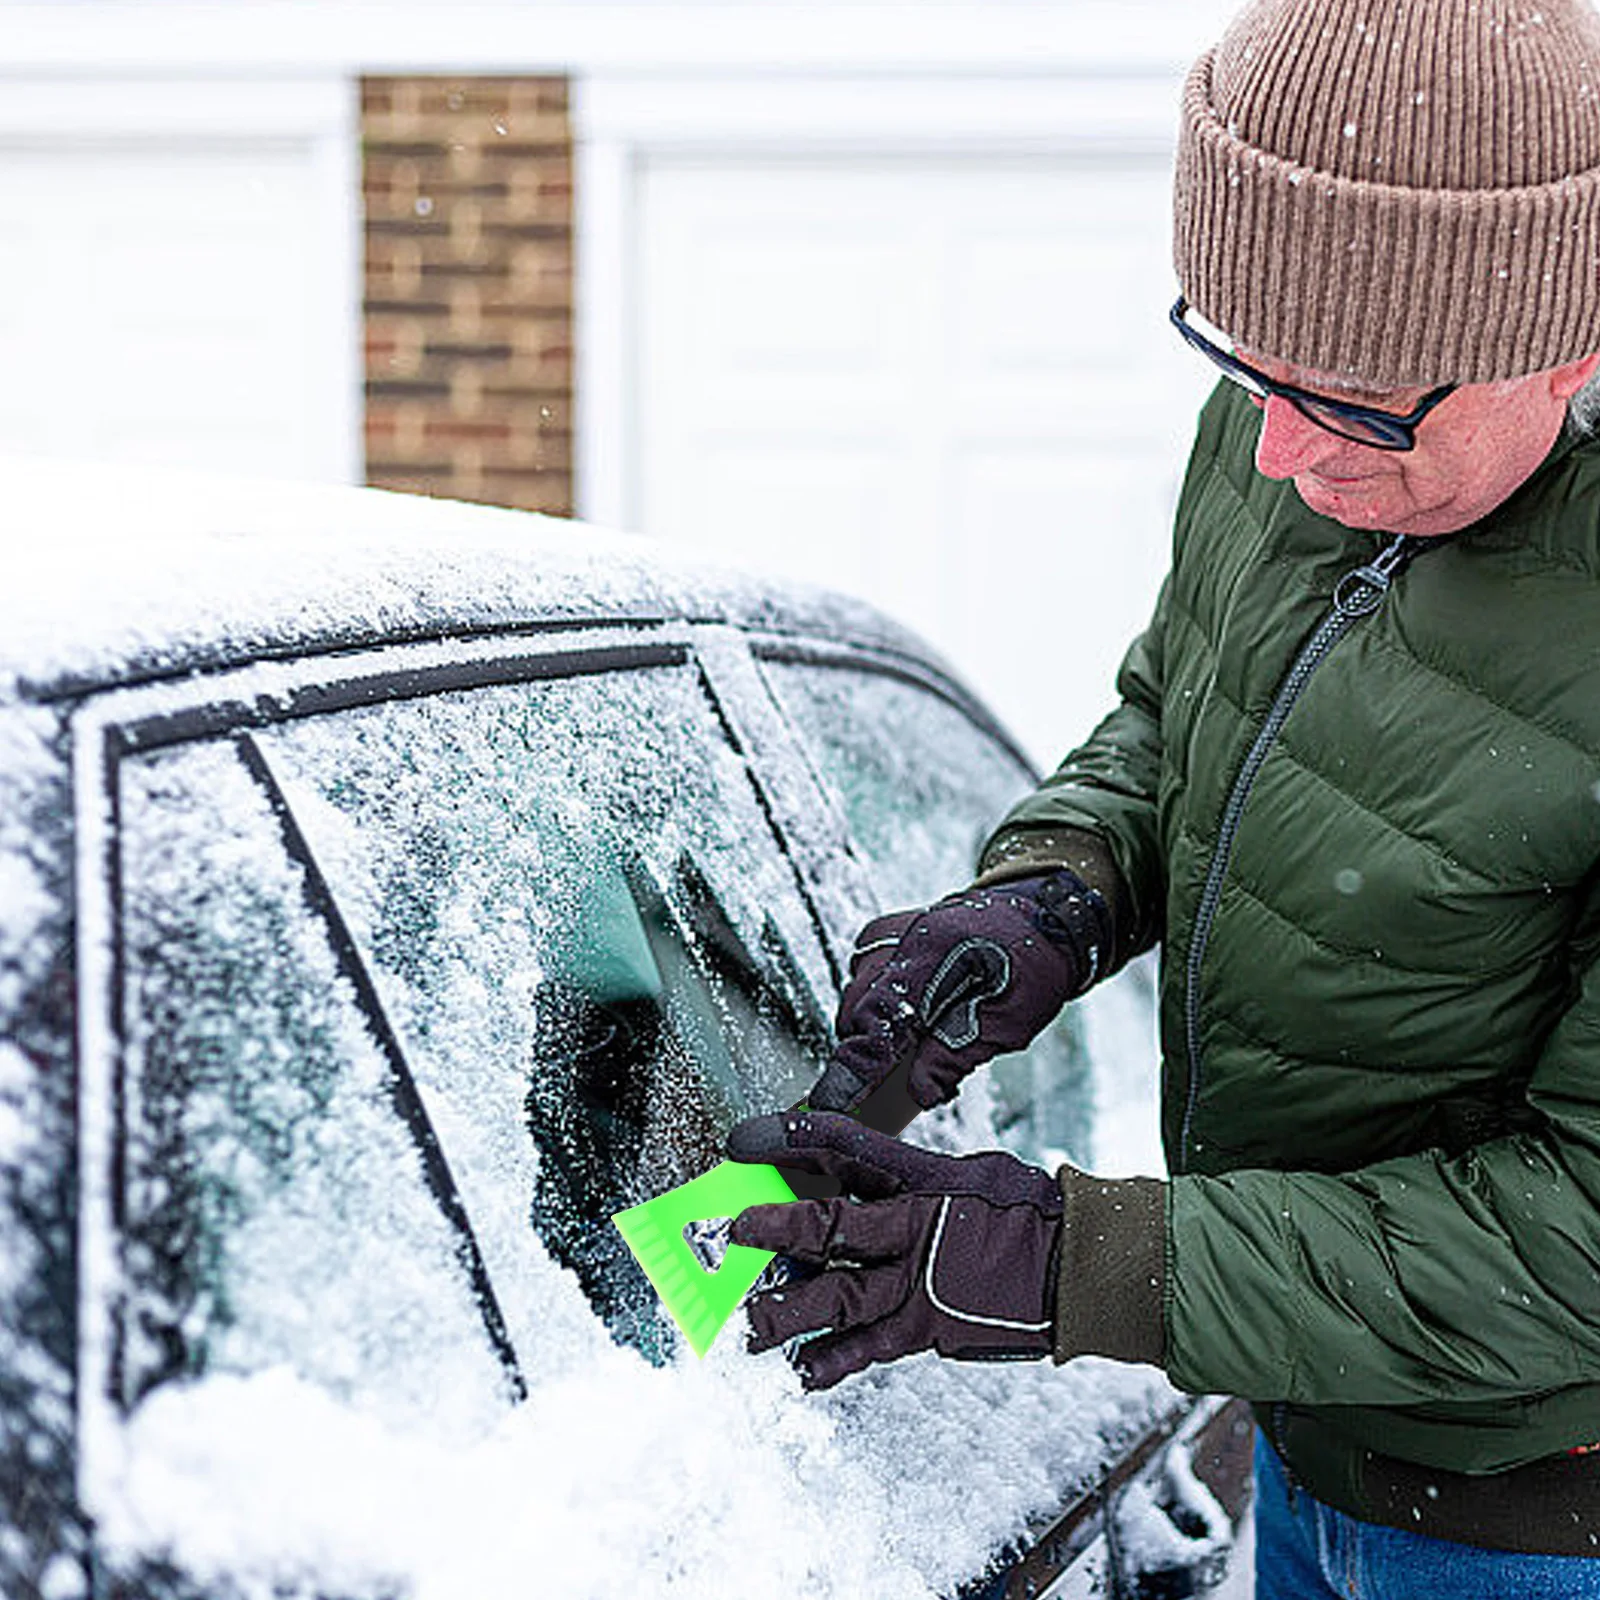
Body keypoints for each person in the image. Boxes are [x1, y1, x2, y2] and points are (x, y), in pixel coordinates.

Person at [722, 0, 1600, 1592]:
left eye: (1348, 397)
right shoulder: (1299, 432)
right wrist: (1051, 890)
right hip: (1306, 1431)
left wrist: (1079, 1264)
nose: (1272, 451)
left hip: (1535, 1520)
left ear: (1567, 339)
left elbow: (1584, 1237)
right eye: (1243, 364)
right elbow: (1177, 712)